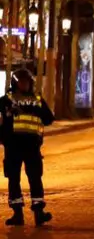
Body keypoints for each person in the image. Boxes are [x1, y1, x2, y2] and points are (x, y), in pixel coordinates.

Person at [0, 69, 54, 226]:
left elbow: (49, 118)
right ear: (15, 83)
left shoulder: (35, 100)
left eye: (27, 82)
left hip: (31, 147)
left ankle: (39, 212)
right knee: (14, 179)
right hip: (13, 146)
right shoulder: (7, 100)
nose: (25, 85)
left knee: (35, 178)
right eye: (22, 82)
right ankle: (17, 214)